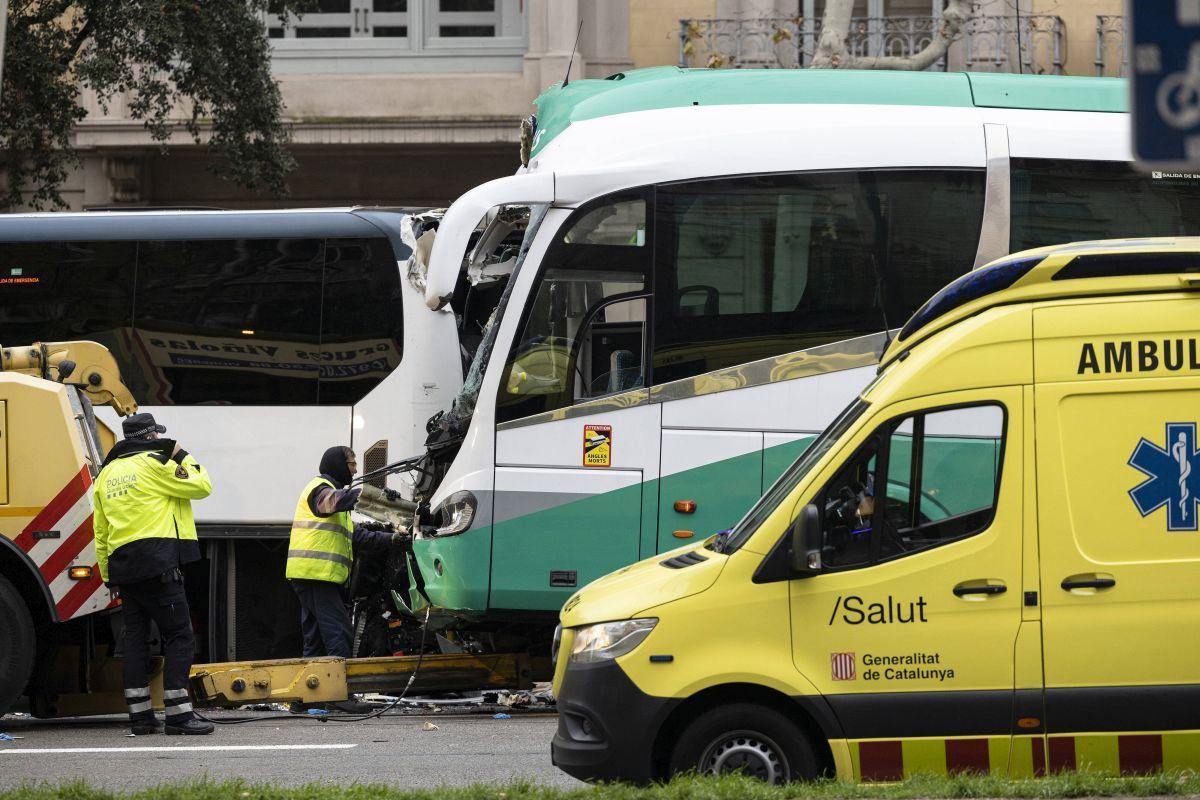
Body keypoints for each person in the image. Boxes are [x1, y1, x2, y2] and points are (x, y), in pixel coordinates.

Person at [93, 413, 213, 736]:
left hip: (125, 570)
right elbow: (202, 485)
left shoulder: (106, 475)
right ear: (149, 437)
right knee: (180, 635)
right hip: (158, 565)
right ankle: (178, 715)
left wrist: (108, 576)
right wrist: (179, 454)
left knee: (135, 642)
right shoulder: (154, 463)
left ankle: (141, 718)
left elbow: (100, 532)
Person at [286, 446, 403, 662]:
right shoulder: (320, 489)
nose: (356, 471)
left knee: (316, 641)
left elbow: (360, 537)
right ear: (338, 464)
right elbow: (331, 501)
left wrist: (394, 539)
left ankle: (310, 693)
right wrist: (377, 497)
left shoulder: (339, 508)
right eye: (352, 465)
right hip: (316, 576)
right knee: (339, 634)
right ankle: (340, 690)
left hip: (313, 576)